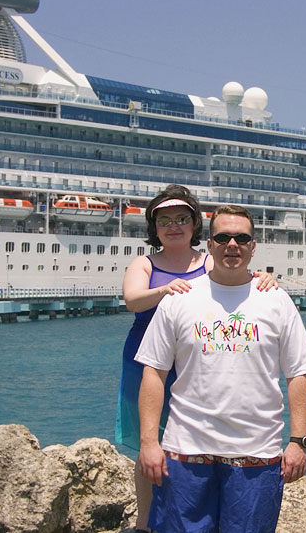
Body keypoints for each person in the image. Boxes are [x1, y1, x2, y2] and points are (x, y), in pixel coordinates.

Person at [136, 204, 306, 533]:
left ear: (253, 246)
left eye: (241, 238)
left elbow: (298, 374)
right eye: (222, 237)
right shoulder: (179, 298)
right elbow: (154, 373)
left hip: (257, 454)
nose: (231, 245)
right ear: (209, 245)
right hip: (184, 452)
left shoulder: (277, 300)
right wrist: (149, 442)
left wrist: (298, 442)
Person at [116, 186, 276, 533]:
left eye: (182, 219)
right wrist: (166, 289)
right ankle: (146, 523)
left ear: (194, 225)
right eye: (165, 220)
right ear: (154, 227)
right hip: (147, 362)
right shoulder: (144, 263)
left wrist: (264, 278)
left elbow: (235, 278)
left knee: (193, 444)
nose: (174, 226)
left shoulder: (207, 260)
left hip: (196, 358)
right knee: (150, 441)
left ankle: (199, 512)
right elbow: (132, 300)